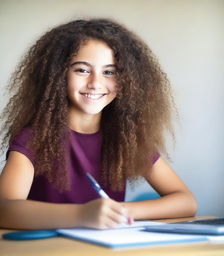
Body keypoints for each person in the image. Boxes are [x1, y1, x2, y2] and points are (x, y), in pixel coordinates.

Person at [0, 18, 197, 230]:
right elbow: (4, 210)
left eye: (109, 72)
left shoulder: (126, 138)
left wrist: (119, 211)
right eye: (82, 70)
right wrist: (83, 214)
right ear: (57, 76)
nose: (95, 83)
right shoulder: (34, 137)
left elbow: (186, 202)